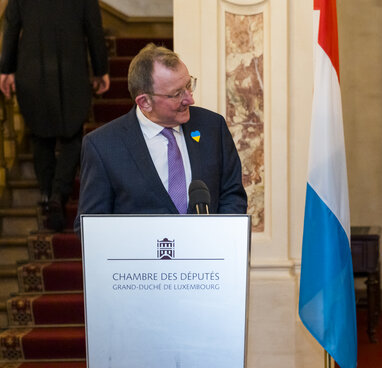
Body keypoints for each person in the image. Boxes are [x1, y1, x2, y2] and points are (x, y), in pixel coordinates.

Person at [75, 44, 247, 232]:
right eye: (177, 94)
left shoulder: (212, 127)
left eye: (189, 86)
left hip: (207, 258)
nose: (190, 99)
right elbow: (90, 226)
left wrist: (221, 242)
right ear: (145, 102)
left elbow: (232, 195)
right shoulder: (103, 146)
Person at [0, 0, 110, 231]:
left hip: (32, 72)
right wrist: (101, 70)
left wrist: (6, 69)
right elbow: (94, 29)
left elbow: (10, 29)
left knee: (41, 137)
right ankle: (58, 195)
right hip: (73, 71)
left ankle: (47, 192)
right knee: (72, 136)